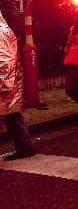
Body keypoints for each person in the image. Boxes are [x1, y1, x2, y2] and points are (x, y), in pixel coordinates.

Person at [0, 10, 36, 161]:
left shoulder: (1, 32)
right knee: (12, 117)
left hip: (5, 84)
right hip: (7, 83)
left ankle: (26, 145)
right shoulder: (3, 30)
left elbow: (6, 61)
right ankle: (26, 145)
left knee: (9, 116)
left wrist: (5, 86)